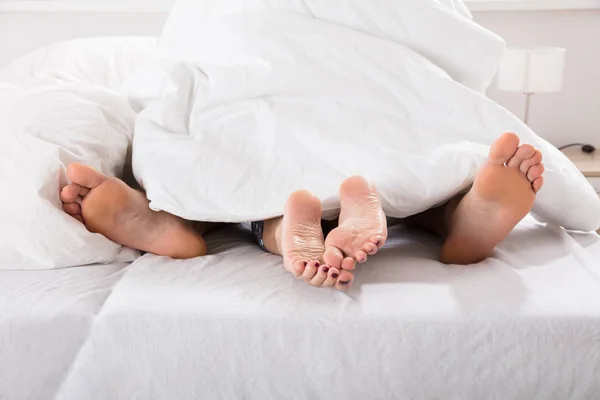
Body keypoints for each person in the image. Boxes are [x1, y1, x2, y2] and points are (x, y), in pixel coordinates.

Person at [60, 132, 544, 290]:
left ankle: (177, 222)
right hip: (374, 122)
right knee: (424, 186)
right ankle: (465, 217)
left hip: (253, 135)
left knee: (225, 176)